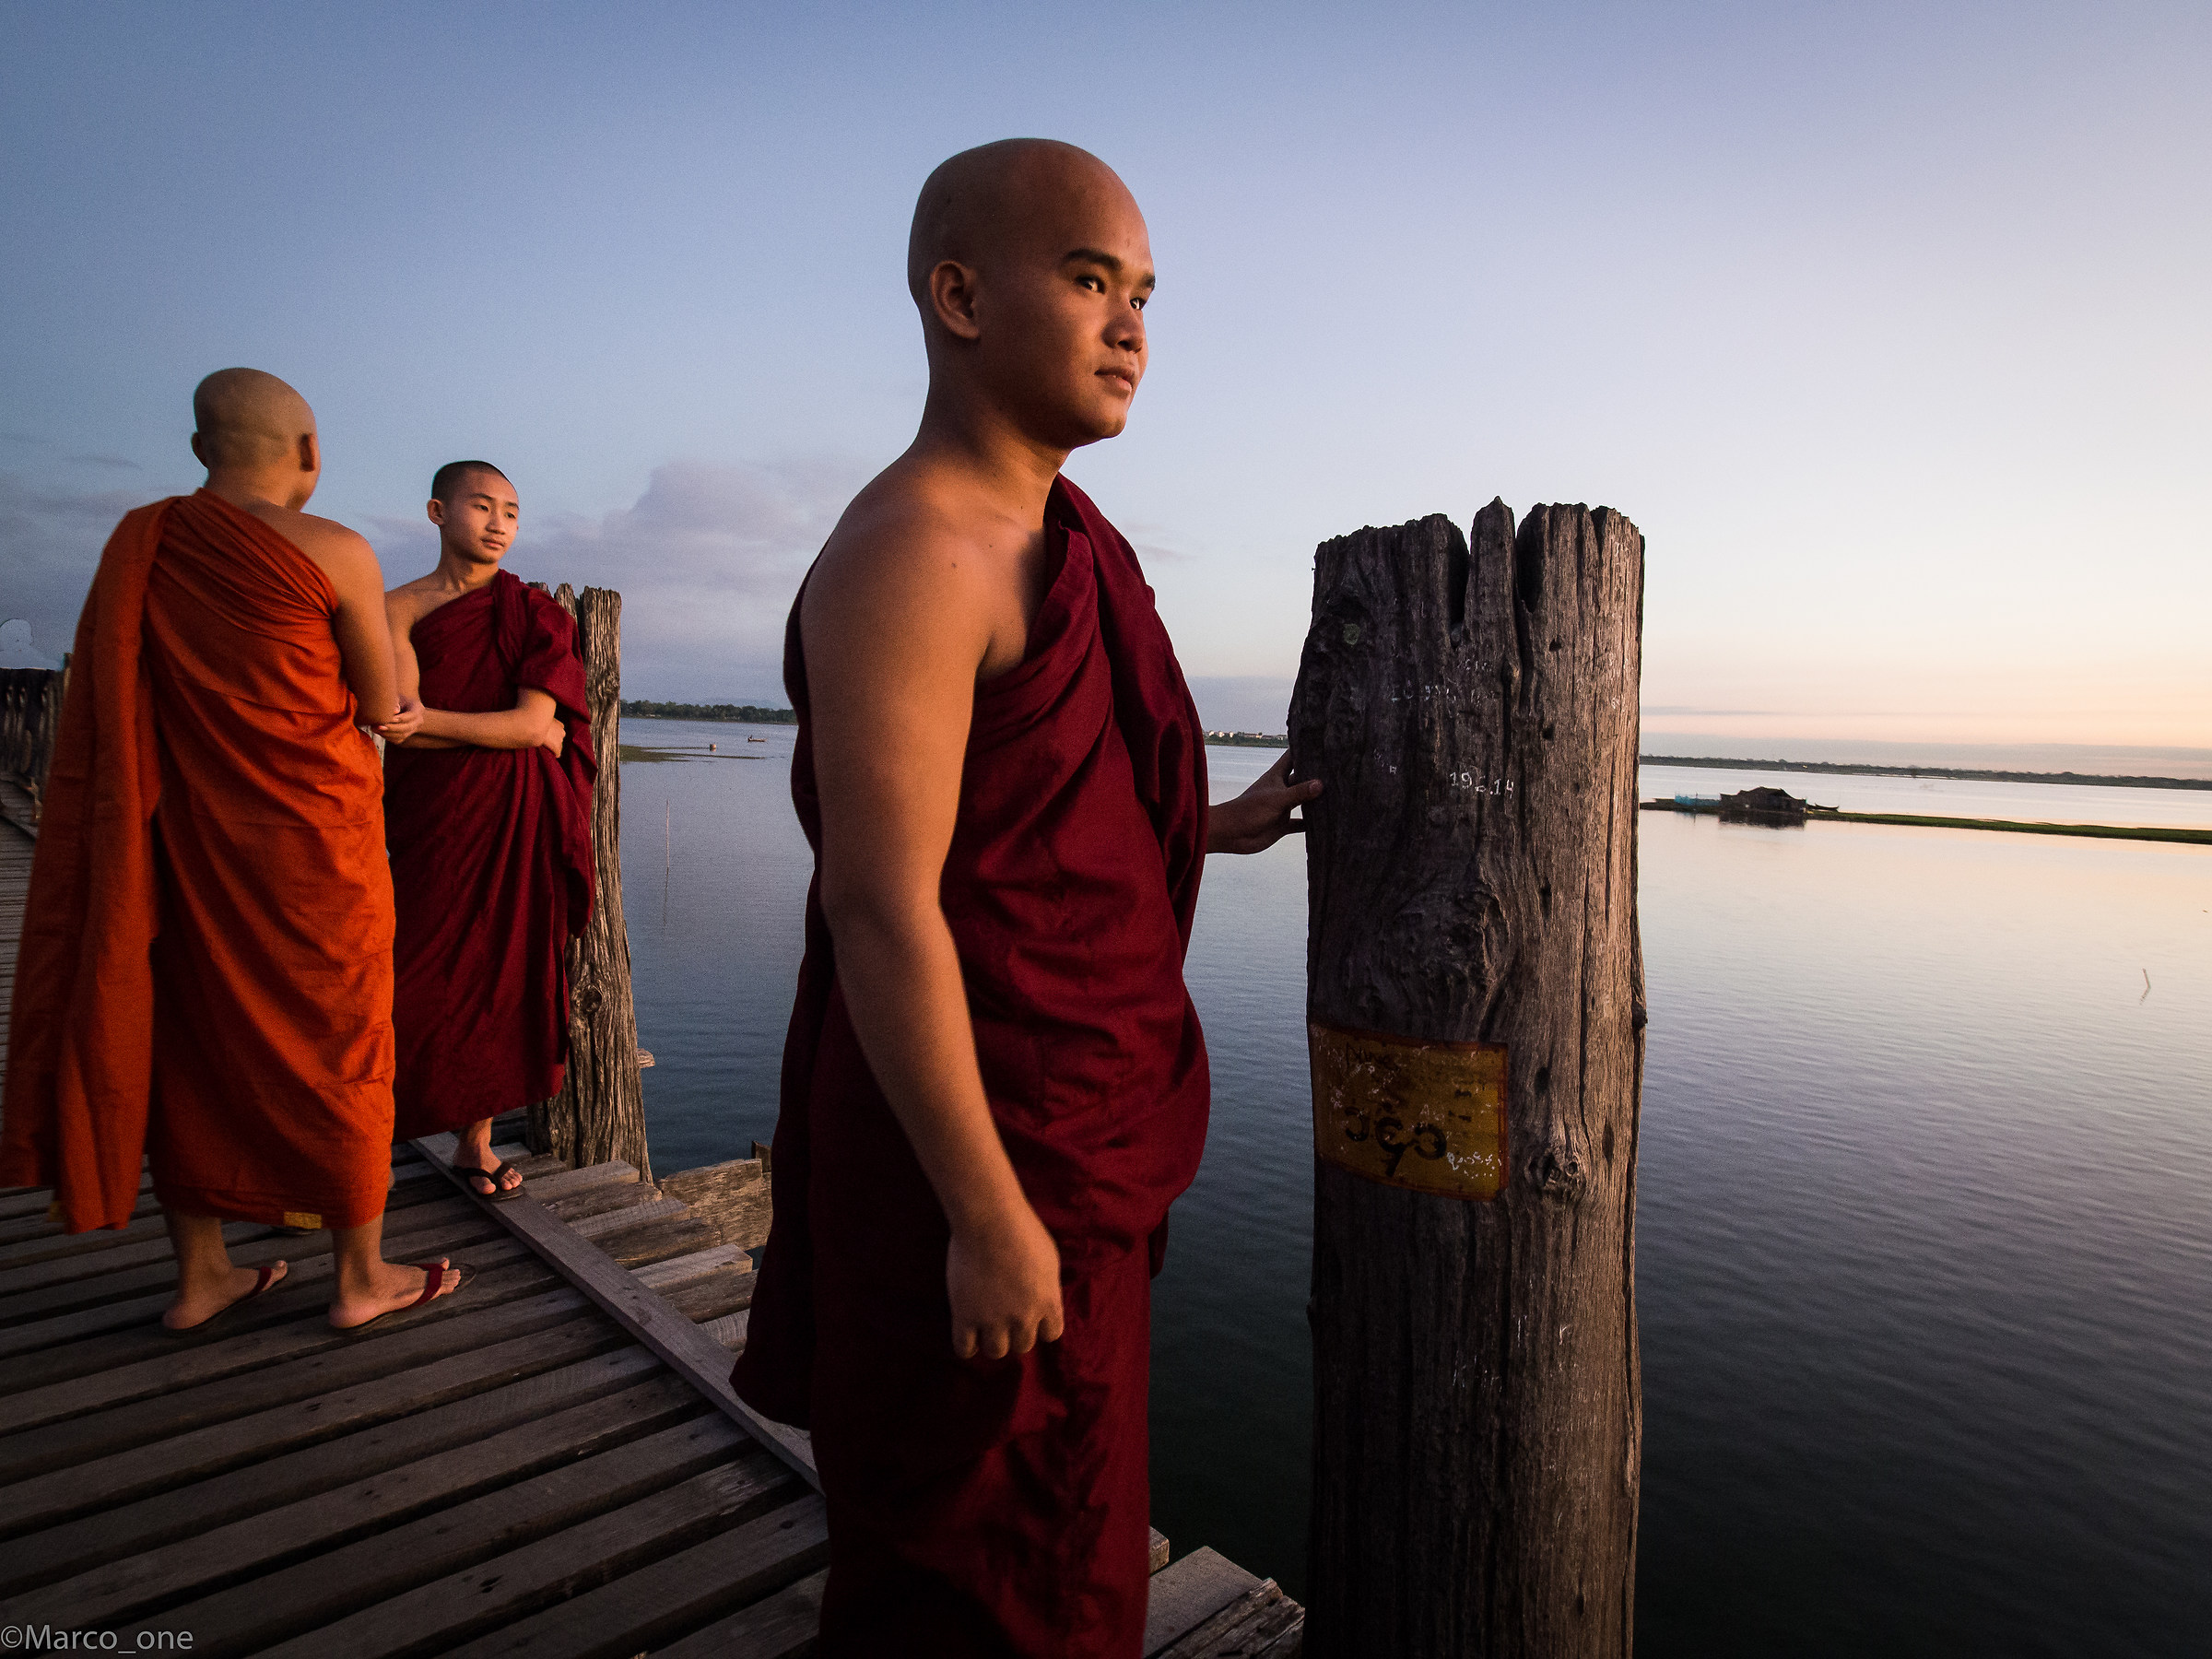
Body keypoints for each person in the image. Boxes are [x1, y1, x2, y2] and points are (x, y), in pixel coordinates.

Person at [732, 141, 1319, 1656]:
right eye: (1086, 279)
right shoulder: (919, 552)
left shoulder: (1056, 539)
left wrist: (1222, 821)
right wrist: (986, 1211)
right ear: (959, 294)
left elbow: (1047, 823)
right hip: (973, 1156)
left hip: (1067, 1129)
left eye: (1141, 294)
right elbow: (882, 904)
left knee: (1062, 1544)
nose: (1130, 327)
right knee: (978, 1584)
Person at [0, 368, 465, 1331]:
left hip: (188, 843)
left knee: (193, 1038)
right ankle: (357, 1277)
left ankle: (201, 1275)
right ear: (310, 453)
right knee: (338, 1044)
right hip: (314, 853)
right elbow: (383, 707)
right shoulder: (334, 549)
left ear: (202, 449)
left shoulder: (145, 542)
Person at [381, 462, 594, 1194]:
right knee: (406, 973)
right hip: (429, 817)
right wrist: (508, 734)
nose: (500, 522)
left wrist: (435, 724)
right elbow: (396, 728)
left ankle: (474, 1143)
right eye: (482, 506)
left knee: (501, 977)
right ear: (439, 512)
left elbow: (533, 720)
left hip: (514, 821)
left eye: (511, 510)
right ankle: (368, 1129)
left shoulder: (536, 616)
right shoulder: (395, 609)